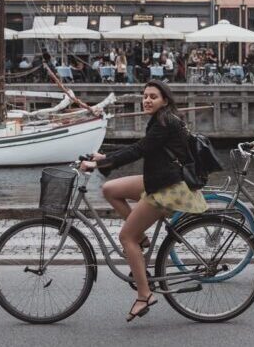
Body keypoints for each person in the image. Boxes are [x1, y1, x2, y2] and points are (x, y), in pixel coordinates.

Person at [80, 81, 206, 322]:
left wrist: (100, 163)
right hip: (159, 178)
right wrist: (106, 157)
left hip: (168, 188)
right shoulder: (161, 119)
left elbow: (139, 150)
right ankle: (142, 239)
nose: (147, 100)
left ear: (165, 100)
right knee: (110, 189)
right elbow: (141, 148)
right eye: (145, 96)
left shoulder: (164, 122)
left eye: (153, 96)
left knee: (125, 237)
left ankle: (144, 294)